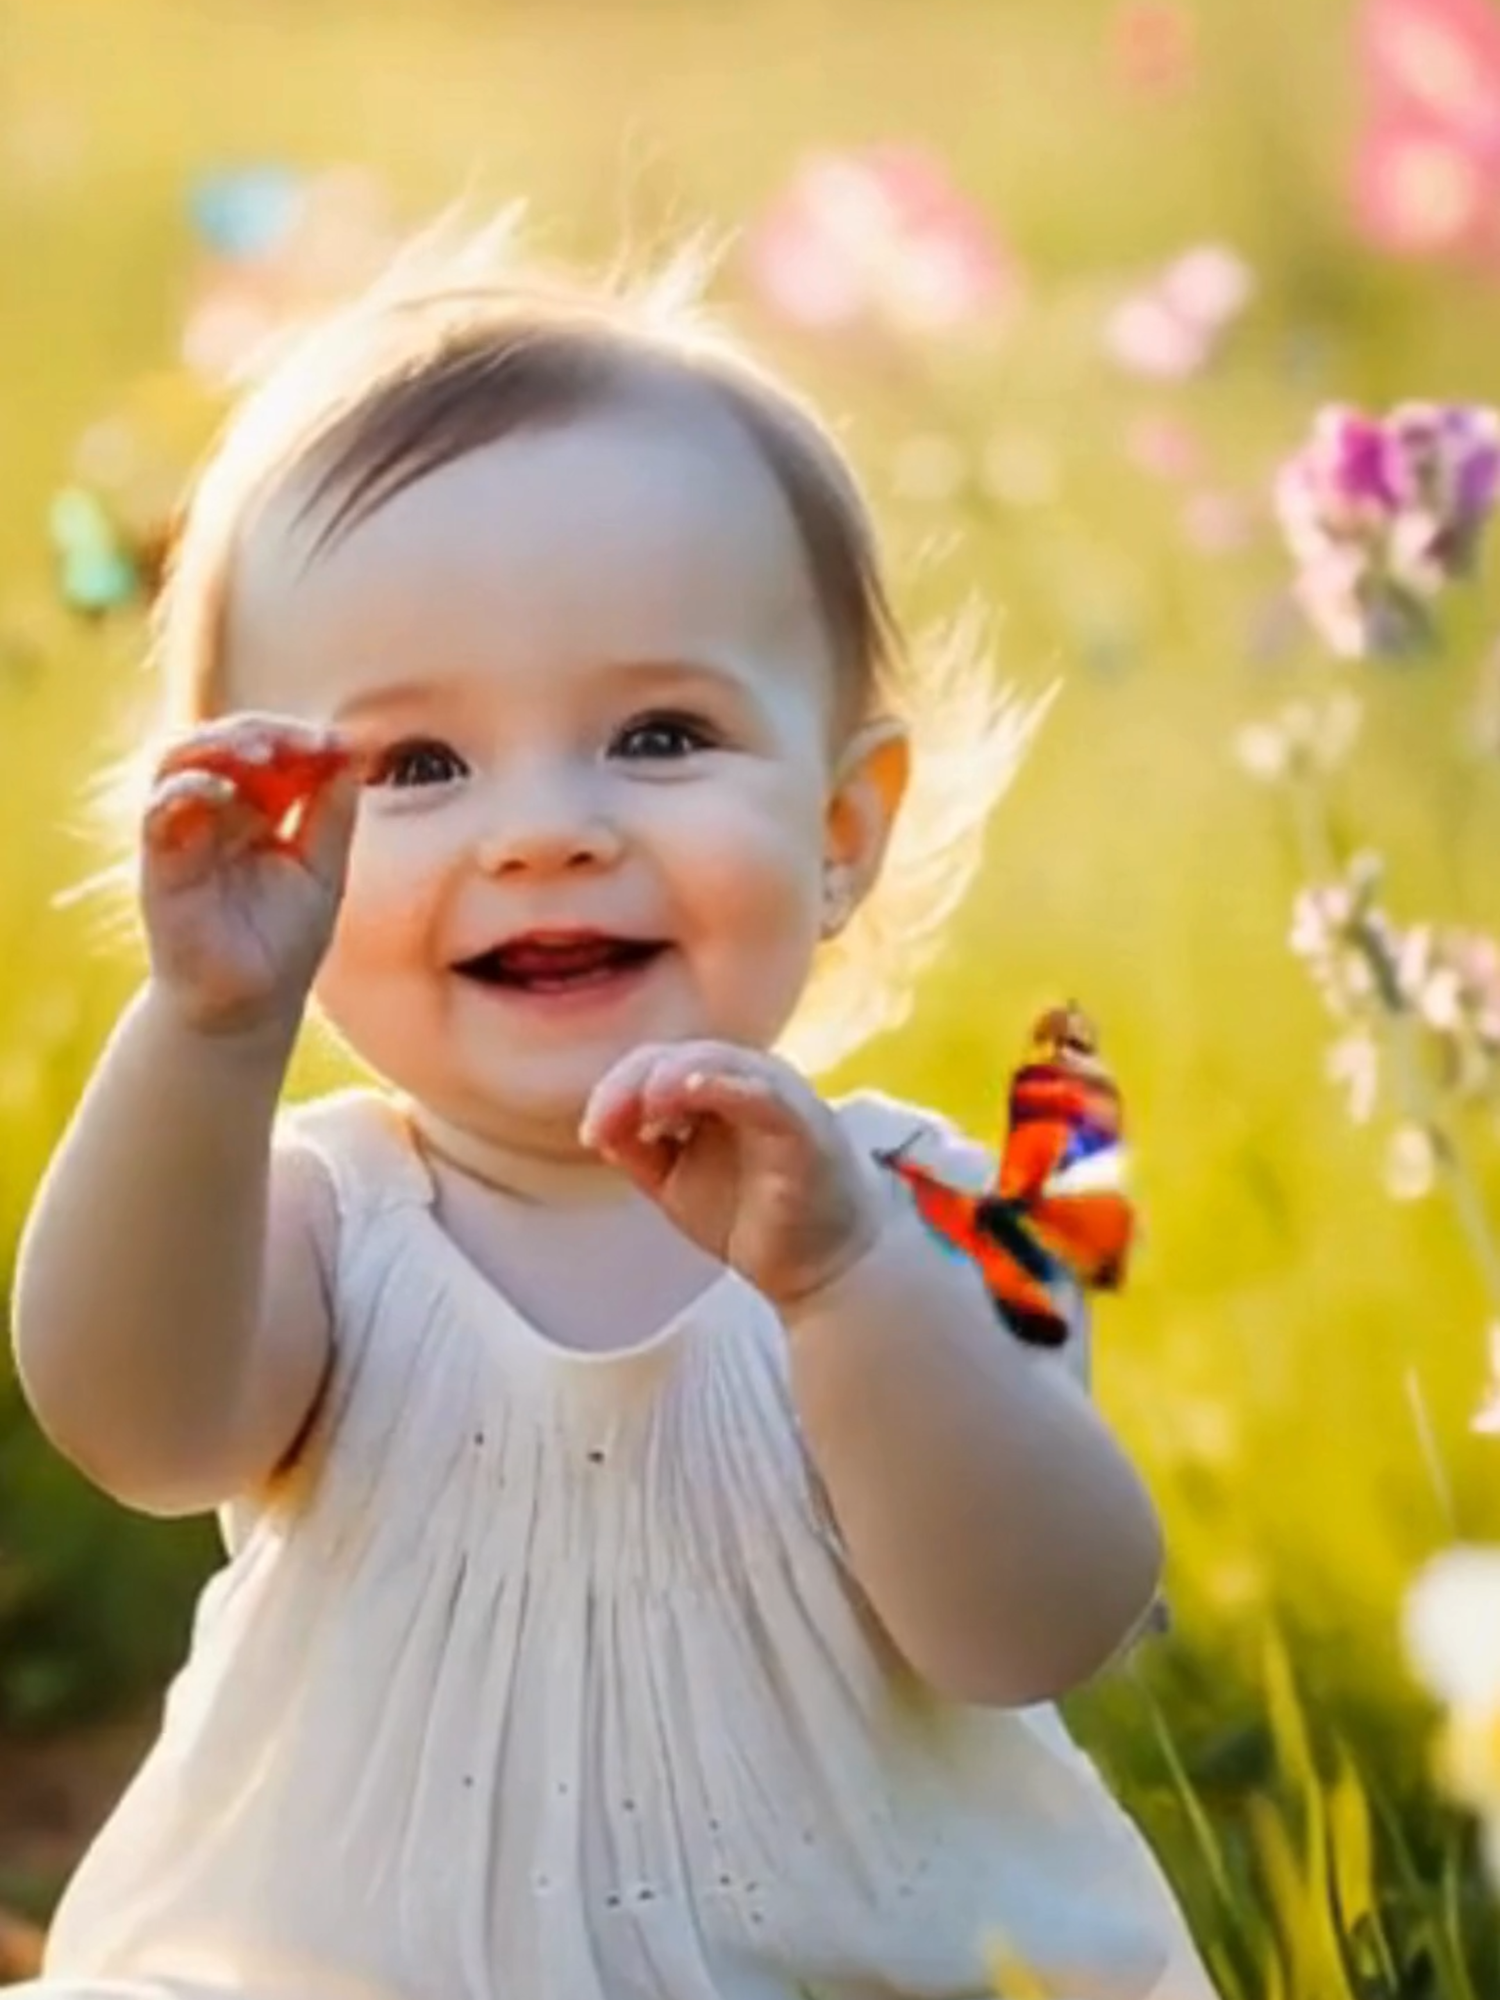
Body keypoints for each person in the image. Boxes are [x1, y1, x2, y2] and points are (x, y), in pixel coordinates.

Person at [9, 224, 1217, 1999]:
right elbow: (138, 1424)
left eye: (657, 734)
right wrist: (204, 1034)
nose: (545, 830)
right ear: (277, 833)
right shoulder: (325, 1228)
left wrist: (848, 1289)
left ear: (841, 829)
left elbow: (1044, 1620)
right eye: (414, 767)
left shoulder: (919, 1214)